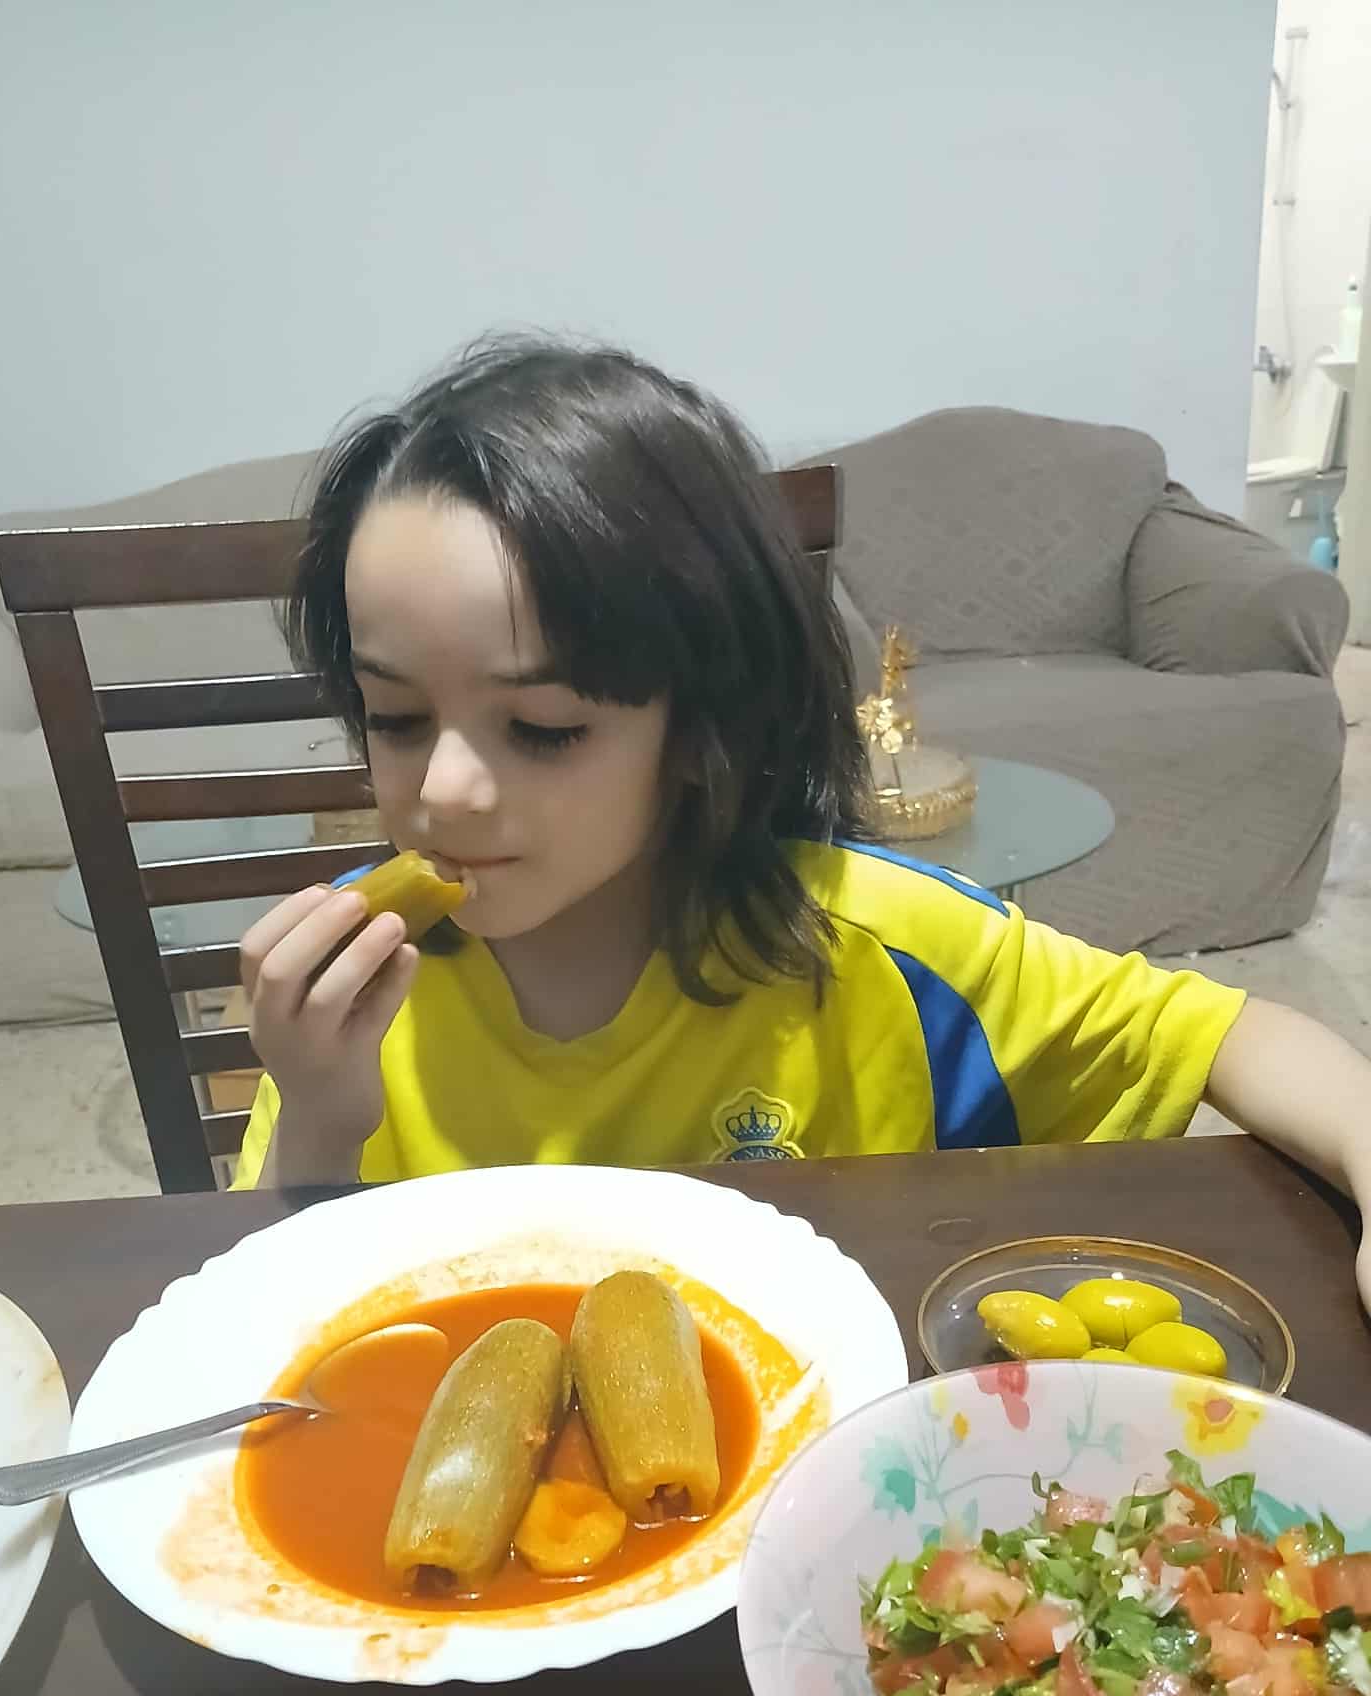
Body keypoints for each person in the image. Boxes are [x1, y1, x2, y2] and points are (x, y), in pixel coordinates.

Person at [231, 336, 1371, 1312]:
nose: (444, 791)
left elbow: (1229, 1035)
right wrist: (321, 1115)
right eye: (395, 717)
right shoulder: (355, 992)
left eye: (542, 727)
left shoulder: (875, 945)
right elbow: (266, 1306)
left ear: (703, 724)